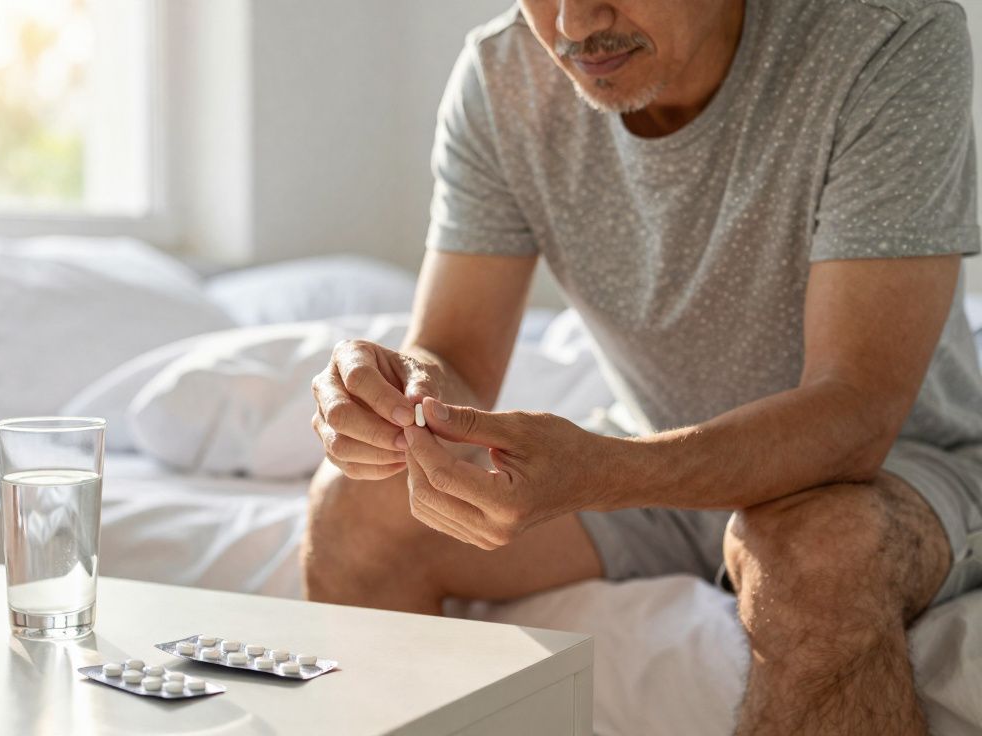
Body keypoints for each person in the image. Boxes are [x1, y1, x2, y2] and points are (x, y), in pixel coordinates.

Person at [302, 0, 982, 733]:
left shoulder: (886, 35)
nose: (572, 24)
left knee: (816, 551)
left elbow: (854, 410)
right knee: (355, 512)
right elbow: (455, 353)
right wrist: (405, 390)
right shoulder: (504, 75)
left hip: (888, 469)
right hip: (654, 460)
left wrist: (604, 471)